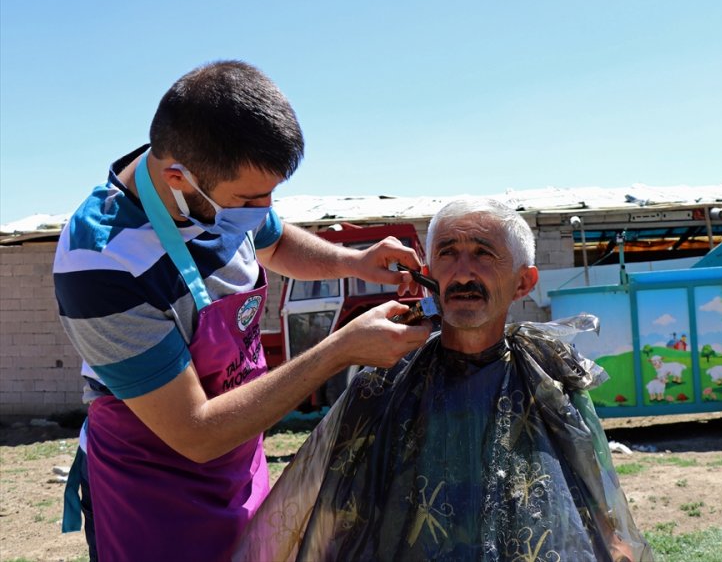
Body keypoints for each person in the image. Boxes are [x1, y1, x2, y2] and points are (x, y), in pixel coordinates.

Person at [53, 60, 432, 561]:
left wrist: (353, 261)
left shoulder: (223, 197)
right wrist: (339, 350)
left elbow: (274, 243)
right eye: (251, 198)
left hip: (238, 457)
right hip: (153, 492)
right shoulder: (102, 261)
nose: (264, 209)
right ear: (178, 178)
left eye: (271, 194)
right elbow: (195, 431)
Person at [235, 198, 652, 561]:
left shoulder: (551, 380)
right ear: (428, 272)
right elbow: (325, 506)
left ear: (523, 282)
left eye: (484, 254)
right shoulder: (383, 384)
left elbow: (600, 495)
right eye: (449, 254)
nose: (464, 272)